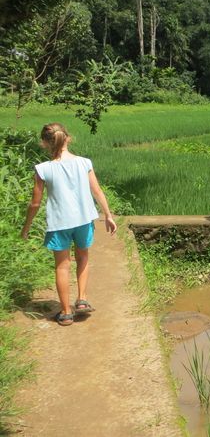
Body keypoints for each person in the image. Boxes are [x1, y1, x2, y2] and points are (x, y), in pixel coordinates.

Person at [20, 123, 117, 326]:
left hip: (59, 223)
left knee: (62, 266)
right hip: (83, 220)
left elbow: (35, 203)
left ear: (45, 143)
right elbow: (97, 191)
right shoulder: (84, 162)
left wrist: (26, 227)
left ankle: (65, 313)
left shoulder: (43, 169)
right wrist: (108, 214)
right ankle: (81, 300)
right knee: (82, 258)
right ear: (68, 138)